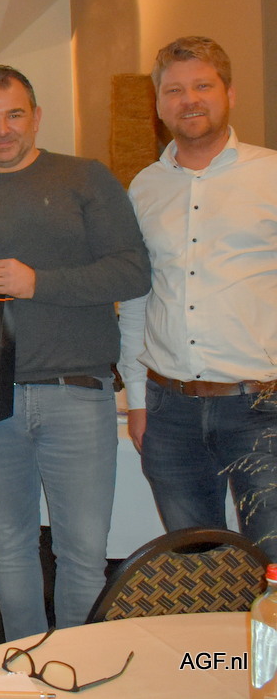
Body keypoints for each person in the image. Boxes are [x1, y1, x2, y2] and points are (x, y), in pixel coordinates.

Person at [0, 65, 150, 641]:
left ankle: (77, 668)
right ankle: (26, 667)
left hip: (78, 395)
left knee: (83, 553)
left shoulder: (85, 179)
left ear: (37, 117)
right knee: (11, 544)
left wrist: (38, 282)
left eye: (14, 115)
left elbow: (132, 271)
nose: (1, 129)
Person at [118, 36, 277, 559]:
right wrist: (137, 400)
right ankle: (209, 625)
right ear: (159, 105)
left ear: (229, 93)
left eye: (202, 86)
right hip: (170, 412)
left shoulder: (270, 175)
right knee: (197, 571)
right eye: (174, 90)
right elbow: (136, 300)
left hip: (261, 406)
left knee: (273, 567)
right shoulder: (143, 188)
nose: (189, 100)